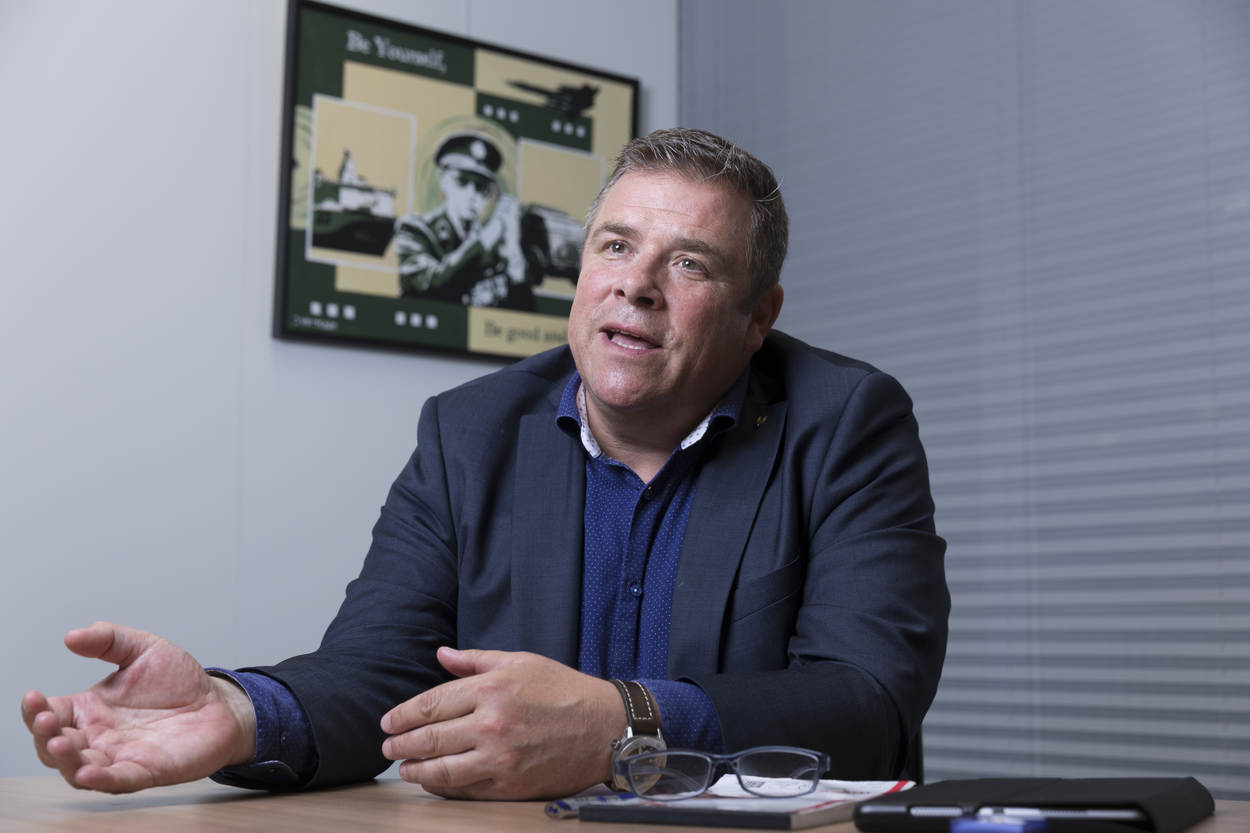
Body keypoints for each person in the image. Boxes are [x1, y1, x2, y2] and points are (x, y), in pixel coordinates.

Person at [21, 127, 949, 800]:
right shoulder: (467, 432)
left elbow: (866, 702)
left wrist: (625, 722)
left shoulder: (846, 421)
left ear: (757, 318)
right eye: (616, 245)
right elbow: (381, 670)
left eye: (690, 264)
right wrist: (239, 713)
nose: (635, 283)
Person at [393, 130, 534, 310]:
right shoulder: (414, 230)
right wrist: (486, 238)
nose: (472, 195)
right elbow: (431, 285)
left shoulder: (497, 248)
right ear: (443, 180)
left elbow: (525, 314)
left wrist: (514, 256)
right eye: (462, 181)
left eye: (481, 187)